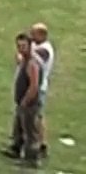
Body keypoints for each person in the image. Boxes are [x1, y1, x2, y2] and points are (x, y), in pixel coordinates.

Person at [5, 32, 44, 166]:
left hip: (29, 104)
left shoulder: (32, 63)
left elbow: (34, 86)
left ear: (30, 45)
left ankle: (32, 159)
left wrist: (26, 101)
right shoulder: (25, 60)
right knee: (19, 128)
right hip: (22, 102)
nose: (21, 49)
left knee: (30, 132)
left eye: (23, 46)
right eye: (19, 46)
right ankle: (16, 148)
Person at [31, 23, 55, 159]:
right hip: (38, 86)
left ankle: (41, 143)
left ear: (42, 35)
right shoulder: (39, 46)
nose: (31, 36)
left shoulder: (44, 50)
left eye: (34, 33)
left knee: (38, 116)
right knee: (37, 116)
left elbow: (25, 57)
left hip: (39, 87)